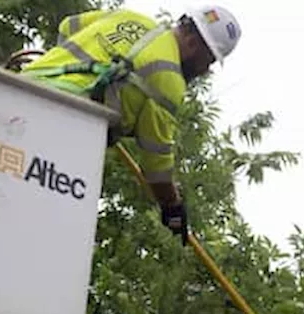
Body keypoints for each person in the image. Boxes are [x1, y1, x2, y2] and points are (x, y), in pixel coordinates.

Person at [14, 5, 242, 243]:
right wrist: (172, 208)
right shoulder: (168, 77)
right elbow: (156, 165)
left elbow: (67, 27)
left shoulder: (131, 18)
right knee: (42, 226)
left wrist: (62, 72)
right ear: (196, 45)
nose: (206, 70)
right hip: (64, 124)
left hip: (19, 85)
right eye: (210, 60)